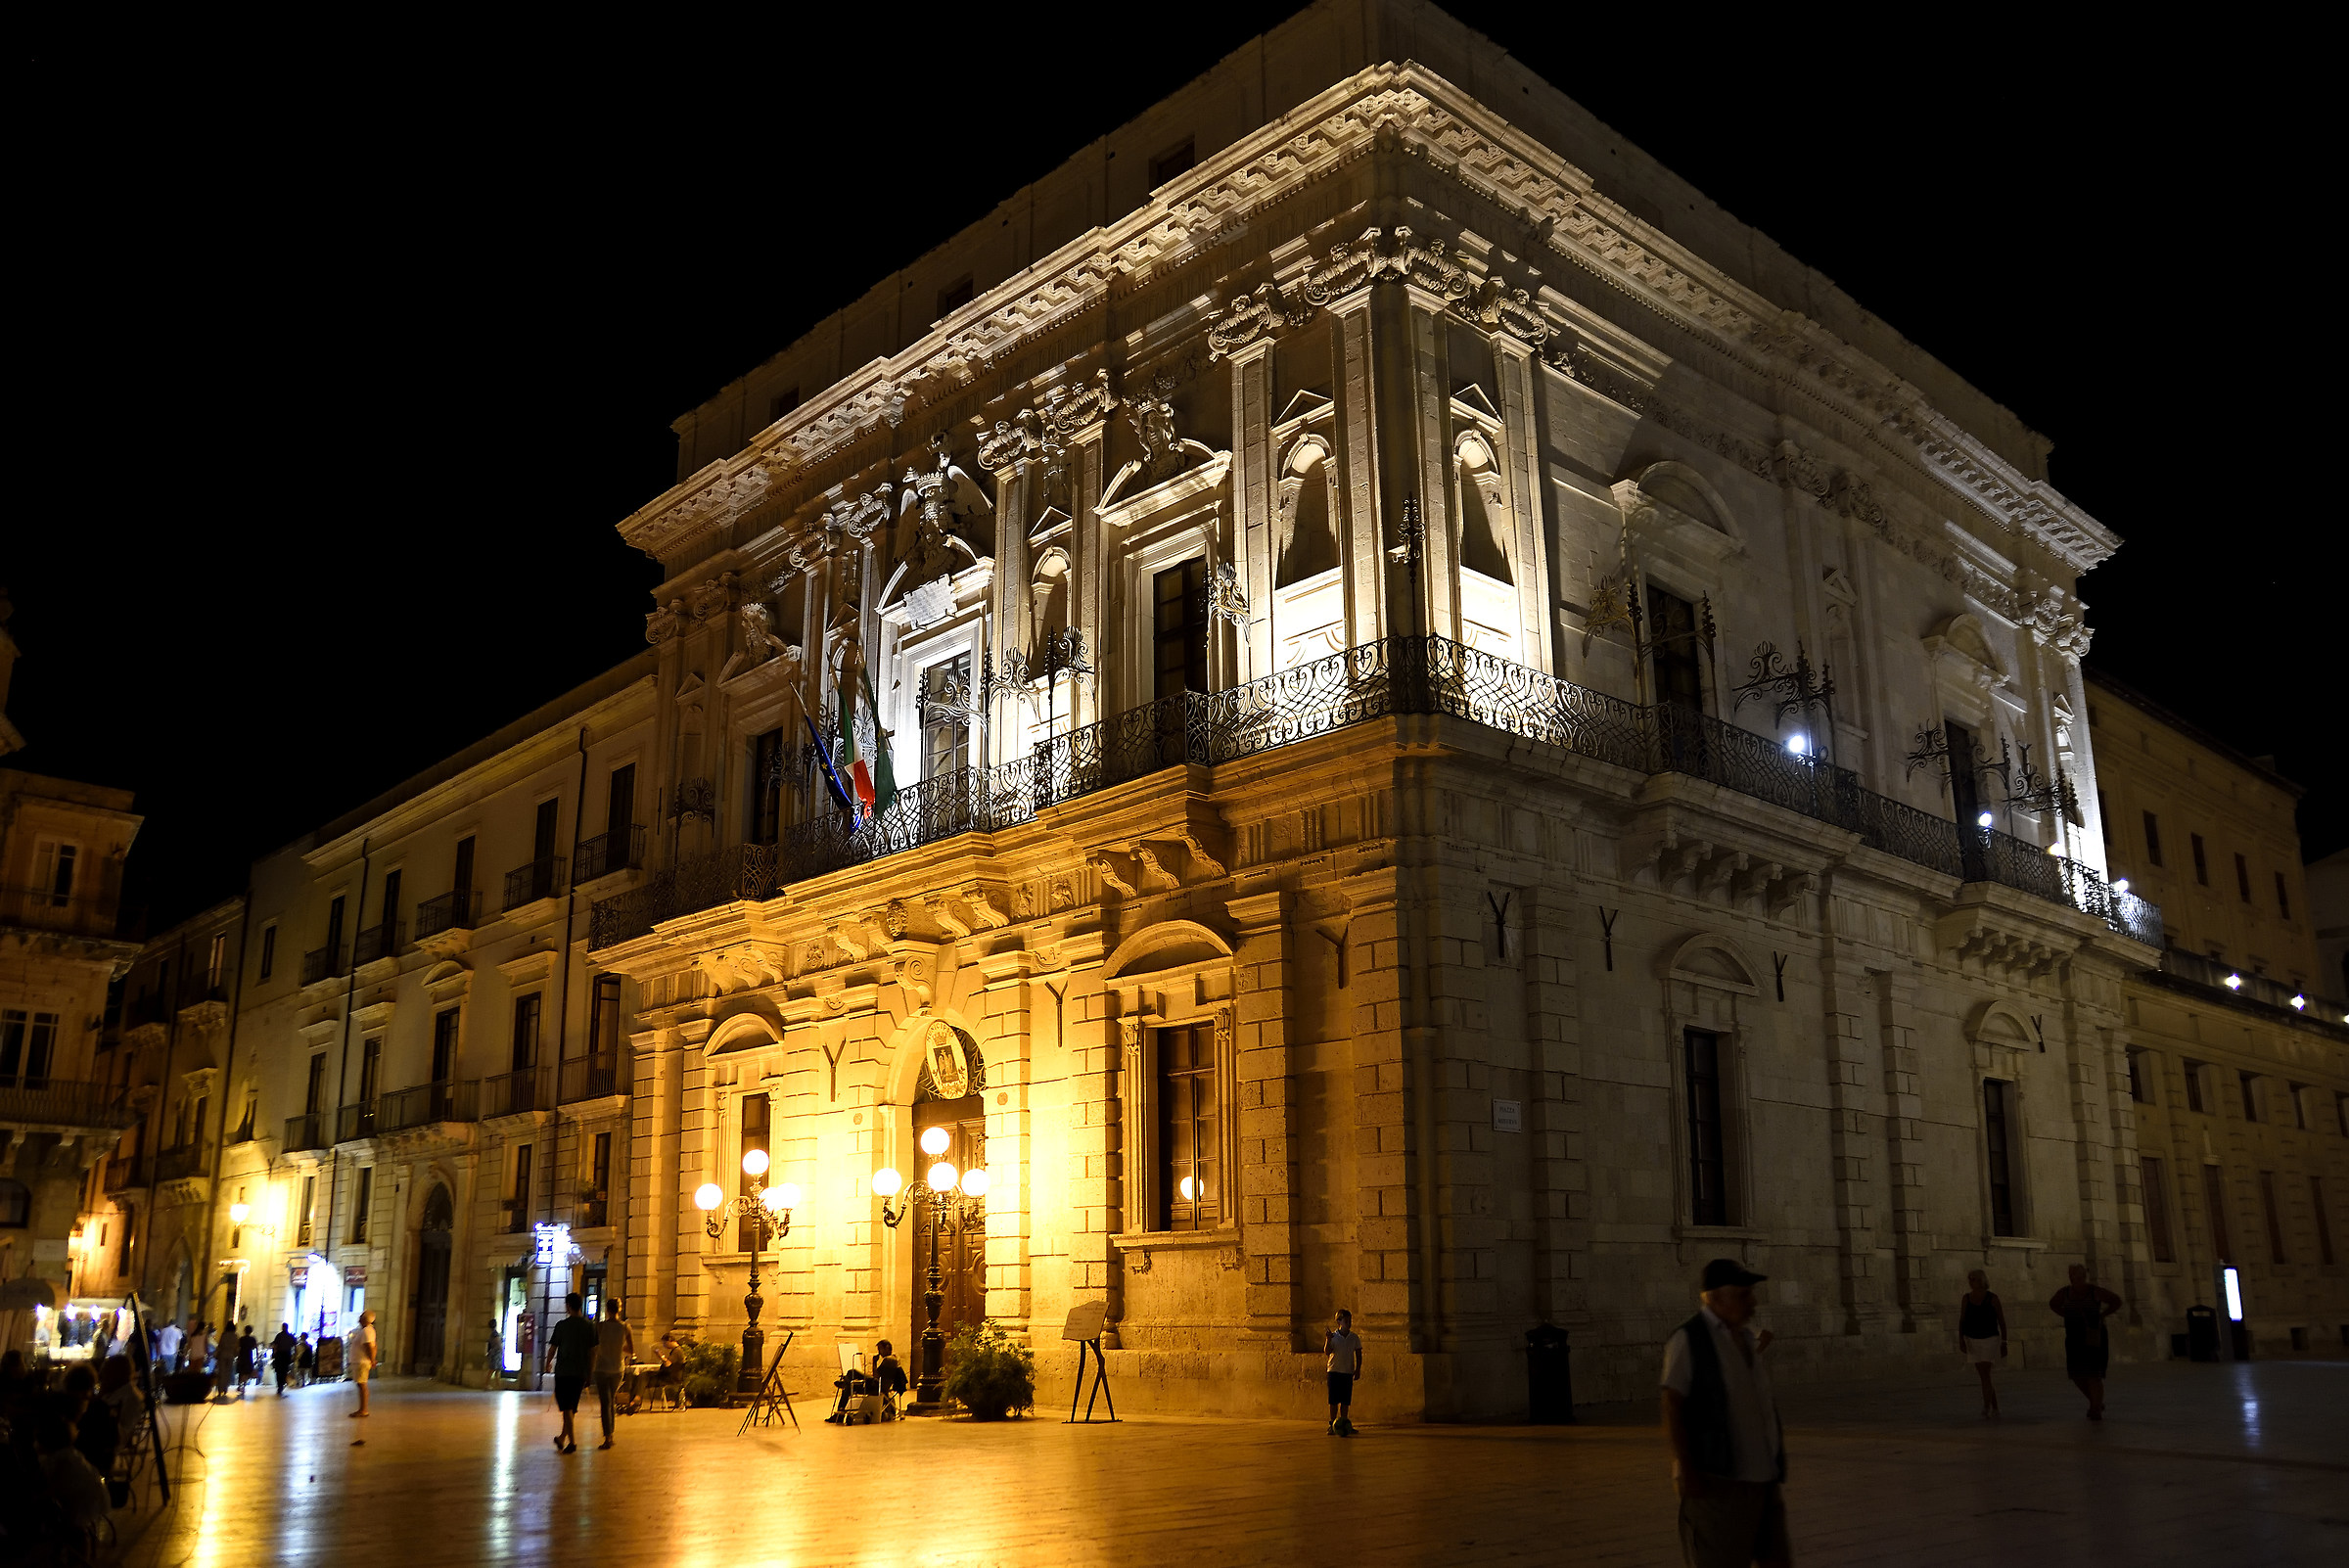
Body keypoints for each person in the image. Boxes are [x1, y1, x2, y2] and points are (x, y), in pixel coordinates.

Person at [1661, 1259, 1789, 1568]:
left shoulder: (1745, 1338)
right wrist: (1688, 1470)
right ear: (1715, 1298)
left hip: (1764, 1483)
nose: (1752, 1303)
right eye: (1743, 1295)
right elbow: (1672, 1406)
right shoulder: (1688, 1340)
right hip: (1720, 1485)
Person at [2049, 1264, 2122, 1420]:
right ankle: (2096, 1402)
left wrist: (2103, 1315)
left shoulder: (2094, 1291)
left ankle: (2095, 1409)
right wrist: (2066, 1315)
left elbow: (2116, 1301)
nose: (2072, 1277)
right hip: (2074, 1337)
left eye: (2074, 1274)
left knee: (2094, 1374)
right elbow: (2053, 1304)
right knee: (2076, 1374)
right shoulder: (2065, 1292)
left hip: (2093, 1337)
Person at [542, 1293, 596, 1453]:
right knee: (571, 1408)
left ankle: (572, 1443)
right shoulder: (590, 1326)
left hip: (564, 1371)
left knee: (566, 1408)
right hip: (580, 1372)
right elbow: (593, 1352)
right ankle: (562, 1438)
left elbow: (553, 1349)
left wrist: (548, 1364)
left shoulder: (561, 1326)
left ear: (568, 1306)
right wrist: (590, 1373)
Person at [1957, 1269, 2008, 1416]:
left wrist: (2005, 1342)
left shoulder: (1992, 1298)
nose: (1971, 1282)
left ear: (1981, 1280)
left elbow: (2002, 1321)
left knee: (1985, 1373)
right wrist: (1961, 1339)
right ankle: (1995, 1407)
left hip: (1989, 1339)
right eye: (1970, 1279)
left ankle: (1986, 1406)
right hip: (1973, 1339)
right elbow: (1962, 1320)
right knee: (1984, 1375)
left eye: (1973, 1279)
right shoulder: (1966, 1298)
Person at [590, 1299, 636, 1451]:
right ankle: (611, 1435)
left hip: (601, 1368)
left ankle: (608, 1437)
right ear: (620, 1309)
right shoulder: (625, 1327)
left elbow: (594, 1347)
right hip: (617, 1368)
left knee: (606, 1403)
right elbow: (631, 1349)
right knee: (611, 1401)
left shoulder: (600, 1326)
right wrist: (618, 1348)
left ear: (607, 1309)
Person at [1324, 1309, 1363, 1437]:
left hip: (1347, 1372)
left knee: (1346, 1401)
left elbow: (1358, 1354)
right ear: (1339, 1322)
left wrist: (1357, 1369)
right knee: (1334, 1401)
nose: (1349, 1323)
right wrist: (1328, 1340)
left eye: (1350, 1320)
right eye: (1346, 1321)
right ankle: (1332, 1424)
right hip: (1334, 1371)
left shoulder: (1354, 1337)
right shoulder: (1334, 1337)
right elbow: (1327, 1351)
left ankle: (1345, 1422)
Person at [347, 1310, 378, 1418]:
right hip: (361, 1361)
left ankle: (363, 1409)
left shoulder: (366, 1331)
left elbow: (370, 1346)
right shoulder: (368, 1330)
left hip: (361, 1361)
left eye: (361, 1316)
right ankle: (362, 1409)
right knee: (361, 1384)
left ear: (365, 1319)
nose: (359, 1318)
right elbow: (374, 1346)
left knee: (362, 1385)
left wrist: (372, 1359)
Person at [271, 1324, 297, 1396]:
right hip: (286, 1355)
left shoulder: (279, 1336)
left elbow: (275, 1345)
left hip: (279, 1355)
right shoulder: (290, 1336)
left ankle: (280, 1385)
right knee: (284, 1371)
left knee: (278, 1371)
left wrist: (274, 1353)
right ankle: (281, 1384)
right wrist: (294, 1355)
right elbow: (294, 1346)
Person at [235, 1327, 259, 1397]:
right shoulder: (252, 1339)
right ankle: (244, 1386)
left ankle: (240, 1385)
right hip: (248, 1356)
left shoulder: (241, 1339)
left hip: (242, 1356)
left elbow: (238, 1347)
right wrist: (257, 1356)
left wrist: (237, 1356)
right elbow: (255, 1347)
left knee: (241, 1371)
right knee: (247, 1372)